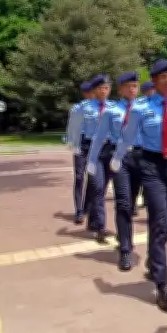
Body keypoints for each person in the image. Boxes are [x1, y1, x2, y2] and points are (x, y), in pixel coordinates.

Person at [111, 60, 167, 312]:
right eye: (163, 77)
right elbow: (128, 136)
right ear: (155, 81)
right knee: (158, 219)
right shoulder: (140, 108)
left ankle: (152, 258)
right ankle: (162, 284)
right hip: (151, 165)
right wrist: (117, 157)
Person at [87, 71, 141, 271]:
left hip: (142, 158)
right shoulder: (112, 111)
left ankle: (124, 233)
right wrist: (92, 160)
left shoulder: (144, 108)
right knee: (124, 202)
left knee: (135, 203)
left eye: (135, 86)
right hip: (119, 158)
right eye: (128, 86)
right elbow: (100, 136)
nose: (132, 89)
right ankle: (125, 248)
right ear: (120, 89)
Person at [69, 74, 114, 242]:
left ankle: (93, 221)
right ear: (94, 91)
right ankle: (101, 226)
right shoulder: (83, 108)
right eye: (101, 88)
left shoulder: (113, 107)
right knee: (96, 186)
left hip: (108, 150)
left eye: (107, 88)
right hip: (91, 149)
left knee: (101, 188)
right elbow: (74, 126)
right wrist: (73, 144)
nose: (104, 91)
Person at [67, 80, 93, 224]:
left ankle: (86, 207)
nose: (90, 94)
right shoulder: (77, 108)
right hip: (80, 143)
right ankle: (78, 210)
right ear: (84, 93)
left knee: (92, 177)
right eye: (88, 92)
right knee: (79, 177)